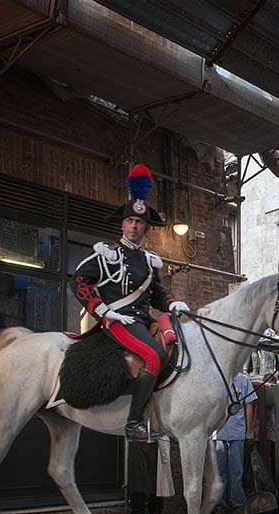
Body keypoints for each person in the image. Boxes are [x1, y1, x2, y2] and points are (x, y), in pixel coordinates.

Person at [73, 164, 190, 442]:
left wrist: (172, 303)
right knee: (153, 356)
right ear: (122, 224)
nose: (135, 226)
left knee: (178, 348)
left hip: (142, 321)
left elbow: (158, 293)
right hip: (117, 321)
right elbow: (79, 280)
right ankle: (132, 423)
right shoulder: (107, 255)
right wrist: (102, 310)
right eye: (130, 221)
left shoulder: (149, 260)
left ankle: (158, 412)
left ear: (146, 227)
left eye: (140, 223)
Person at [211, 371, 257, 514]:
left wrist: (248, 430)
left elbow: (249, 405)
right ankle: (219, 506)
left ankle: (238, 506)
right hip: (218, 432)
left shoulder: (243, 380)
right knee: (219, 473)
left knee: (237, 471)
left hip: (237, 431)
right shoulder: (216, 377)